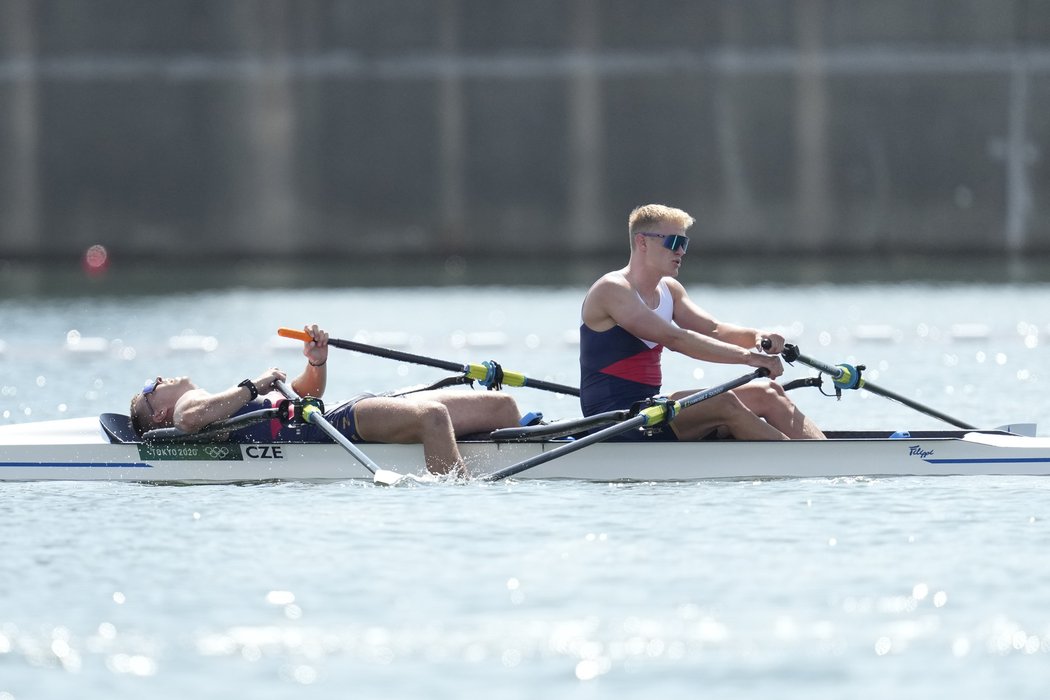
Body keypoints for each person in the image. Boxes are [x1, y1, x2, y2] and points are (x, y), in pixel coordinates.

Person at [129, 324, 524, 475]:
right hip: (336, 430)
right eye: (151, 387)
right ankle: (461, 505)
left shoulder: (219, 402)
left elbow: (306, 394)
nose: (160, 379)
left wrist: (316, 363)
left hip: (338, 414)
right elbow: (190, 422)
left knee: (502, 407)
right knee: (433, 416)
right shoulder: (186, 408)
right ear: (158, 411)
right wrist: (254, 386)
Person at [579, 204, 825, 441]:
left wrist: (757, 337)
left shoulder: (670, 290)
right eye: (674, 242)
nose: (681, 252)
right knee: (724, 403)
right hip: (614, 420)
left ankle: (826, 457)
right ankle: (802, 462)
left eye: (684, 243)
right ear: (642, 241)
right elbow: (676, 339)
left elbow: (714, 329)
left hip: (652, 409)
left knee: (769, 393)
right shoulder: (612, 289)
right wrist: (750, 358)